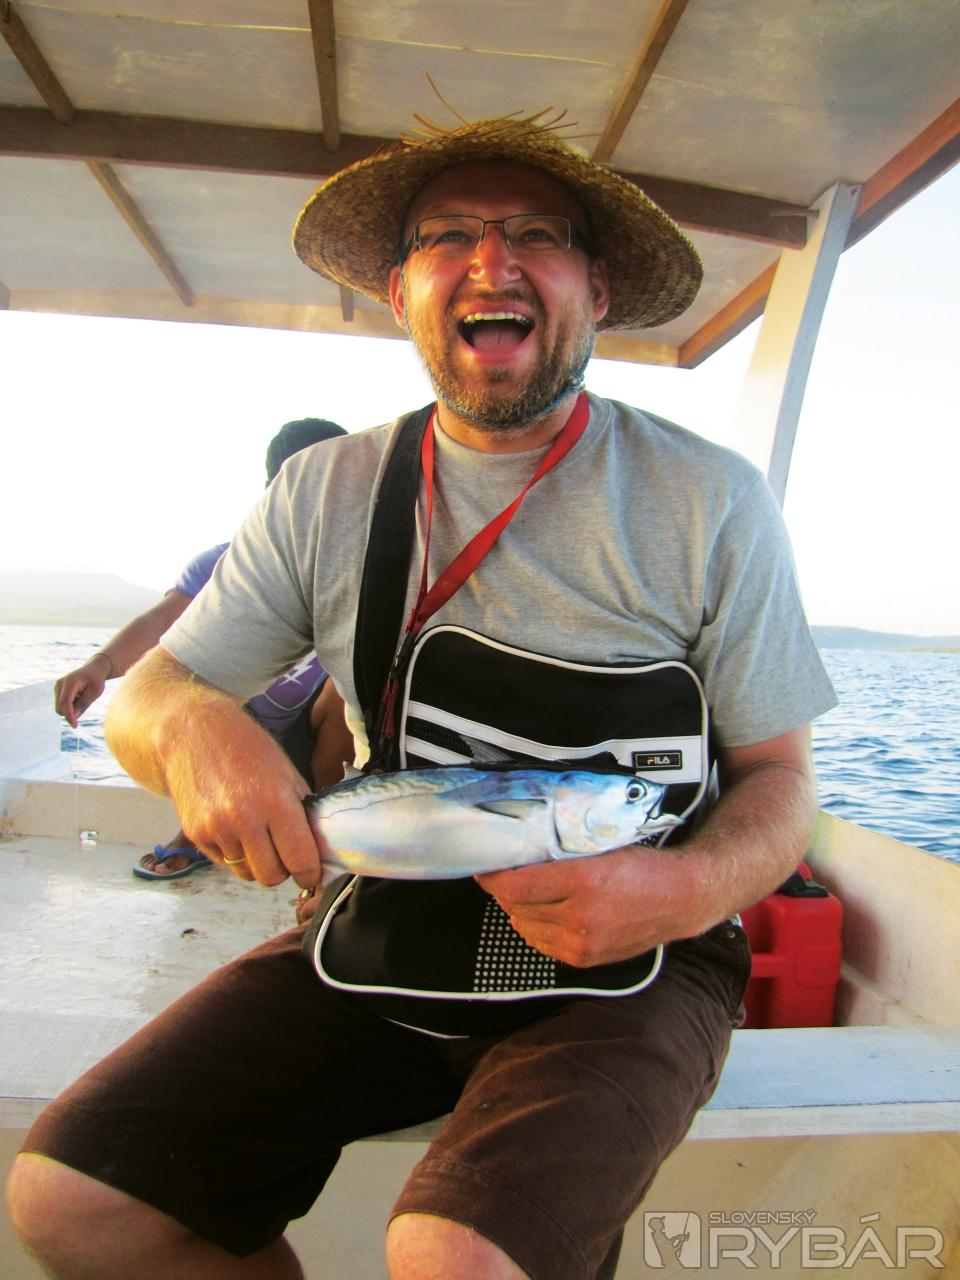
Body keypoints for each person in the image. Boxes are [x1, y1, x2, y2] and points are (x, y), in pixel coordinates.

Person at [8, 112, 837, 1280]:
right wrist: (192, 728)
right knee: (72, 1201)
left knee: (455, 1254)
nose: (492, 262)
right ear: (401, 290)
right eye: (449, 235)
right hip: (381, 925)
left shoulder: (714, 499)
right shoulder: (321, 490)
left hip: (640, 957)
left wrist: (685, 886)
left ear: (597, 289)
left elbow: (781, 780)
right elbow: (152, 690)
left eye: (538, 235)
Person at [52, 417, 353, 879]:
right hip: (235, 731)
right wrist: (101, 665)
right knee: (187, 690)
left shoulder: (366, 565)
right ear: (273, 492)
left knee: (346, 691)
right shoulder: (227, 561)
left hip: (313, 736)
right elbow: (162, 624)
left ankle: (331, 837)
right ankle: (197, 831)